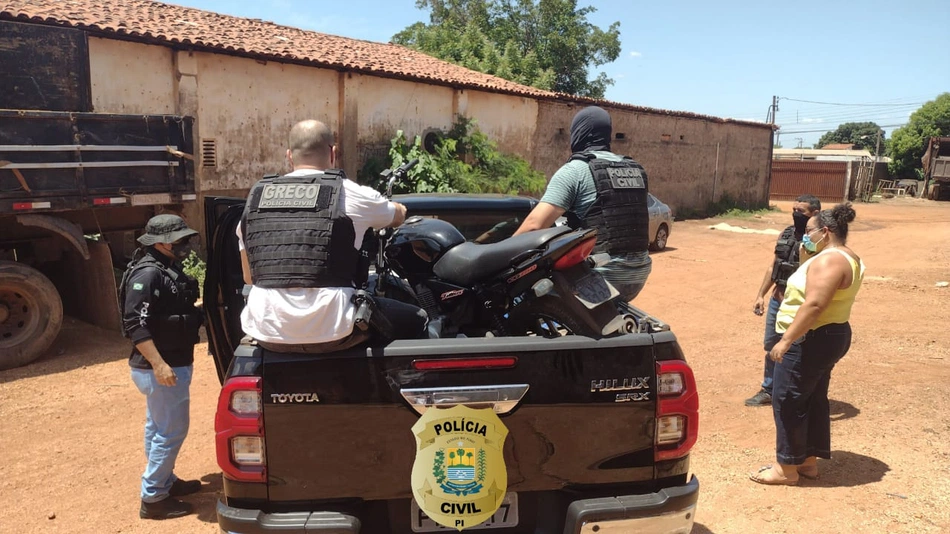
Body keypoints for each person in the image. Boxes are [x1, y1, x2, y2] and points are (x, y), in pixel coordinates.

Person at [236, 119, 428, 352]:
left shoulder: (256, 196)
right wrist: (399, 209)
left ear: (289, 156)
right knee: (418, 318)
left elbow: (249, 277)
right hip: (335, 331)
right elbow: (396, 216)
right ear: (333, 153)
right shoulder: (349, 193)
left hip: (266, 332)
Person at [749, 203, 864, 485]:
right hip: (825, 336)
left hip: (810, 338)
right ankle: (807, 462)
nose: (804, 235)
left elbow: (814, 304)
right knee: (810, 398)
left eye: (809, 231)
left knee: (787, 398)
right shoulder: (840, 256)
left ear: (825, 232)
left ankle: (785, 469)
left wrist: (786, 340)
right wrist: (805, 260)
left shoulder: (830, 260)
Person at [513, 106, 651, 301]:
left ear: (579, 132)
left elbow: (534, 225)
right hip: (639, 274)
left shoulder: (576, 171)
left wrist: (499, 259)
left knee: (528, 298)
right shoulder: (637, 169)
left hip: (600, 277)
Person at [121, 214, 204, 519]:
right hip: (160, 367)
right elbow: (134, 324)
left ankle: (165, 482)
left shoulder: (166, 268)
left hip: (169, 363)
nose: (184, 244)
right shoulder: (148, 275)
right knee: (171, 431)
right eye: (180, 239)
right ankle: (154, 497)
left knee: (157, 427)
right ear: (162, 242)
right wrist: (159, 364)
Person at [746, 194, 822, 407]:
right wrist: (760, 295)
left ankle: (801, 392)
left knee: (800, 348)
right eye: (794, 210)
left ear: (815, 214)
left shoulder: (820, 241)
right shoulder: (786, 234)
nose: (796, 214)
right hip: (778, 299)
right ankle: (770, 389)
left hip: (800, 304)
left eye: (801, 212)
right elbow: (774, 266)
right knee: (772, 345)